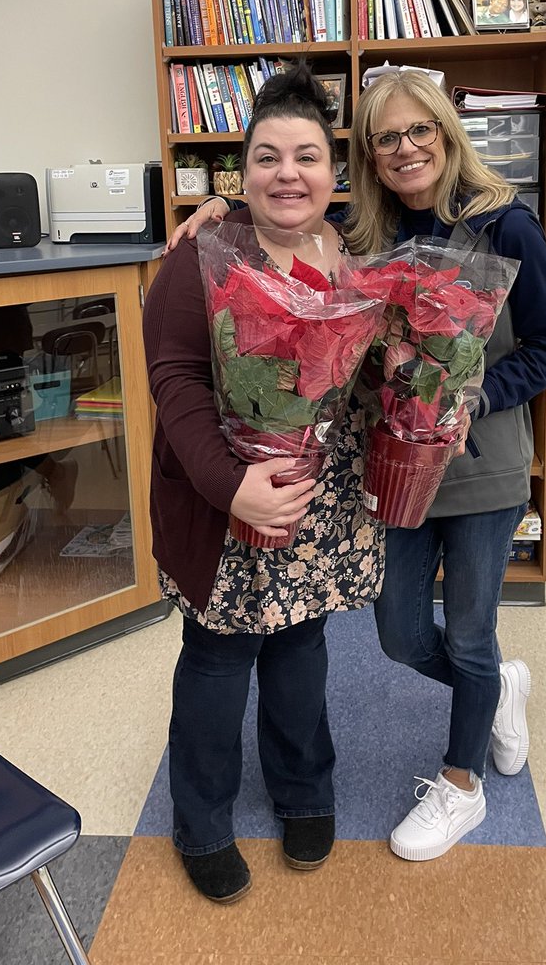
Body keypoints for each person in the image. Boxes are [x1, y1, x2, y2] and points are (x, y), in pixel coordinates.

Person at [172, 70, 546, 862]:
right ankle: (496, 687)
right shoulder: (365, 230)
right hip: (390, 470)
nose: (405, 148)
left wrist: (473, 397)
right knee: (396, 634)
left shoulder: (506, 227)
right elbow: (284, 205)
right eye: (386, 137)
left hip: (480, 465)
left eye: (419, 130)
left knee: (466, 633)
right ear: (368, 153)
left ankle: (462, 785)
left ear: (446, 132)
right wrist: (218, 208)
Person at [143, 64, 384, 904]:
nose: (289, 173)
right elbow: (173, 380)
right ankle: (200, 820)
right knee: (217, 658)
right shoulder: (204, 254)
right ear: (239, 173)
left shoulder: (350, 249)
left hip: (318, 501)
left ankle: (303, 789)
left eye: (308, 156)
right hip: (229, 497)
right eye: (269, 157)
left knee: (301, 648)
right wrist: (229, 487)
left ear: (333, 171)